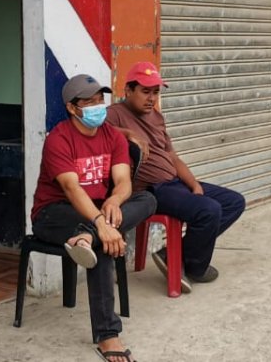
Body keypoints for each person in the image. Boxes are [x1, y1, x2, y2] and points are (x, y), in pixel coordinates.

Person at [31, 74, 157, 362]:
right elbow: (71, 188)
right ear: (72, 107)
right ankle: (108, 336)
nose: (98, 106)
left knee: (147, 199)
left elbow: (123, 181)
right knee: (102, 245)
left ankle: (86, 237)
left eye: (101, 99)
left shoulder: (112, 136)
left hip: (98, 209)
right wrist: (101, 224)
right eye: (89, 102)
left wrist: (114, 200)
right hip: (54, 213)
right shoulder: (58, 139)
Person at [105, 61, 246, 293]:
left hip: (175, 183)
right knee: (209, 210)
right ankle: (194, 267)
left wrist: (194, 185)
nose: (151, 98)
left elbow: (173, 157)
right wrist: (127, 133)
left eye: (155, 92)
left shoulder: (156, 117)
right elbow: (95, 131)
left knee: (234, 202)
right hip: (151, 190)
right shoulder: (115, 114)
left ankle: (175, 255)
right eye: (145, 91)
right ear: (128, 90)